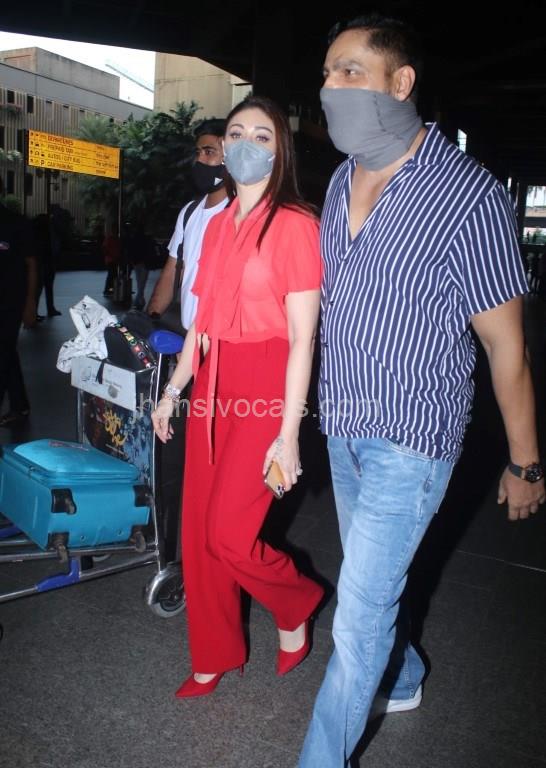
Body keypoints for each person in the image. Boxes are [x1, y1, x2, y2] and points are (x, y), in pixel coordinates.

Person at [298, 14, 546, 767]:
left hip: (413, 437)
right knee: (371, 587)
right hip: (343, 422)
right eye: (327, 72)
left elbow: (506, 345)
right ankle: (403, 674)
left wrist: (525, 462)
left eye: (351, 71)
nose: (331, 86)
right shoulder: (340, 179)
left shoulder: (468, 195)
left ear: (401, 83)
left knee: (358, 614)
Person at [151, 96, 324, 697]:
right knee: (200, 534)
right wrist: (173, 391)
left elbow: (302, 338)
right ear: (223, 147)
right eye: (236, 132)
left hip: (267, 383)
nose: (246, 143)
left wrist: (288, 433)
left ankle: (296, 598)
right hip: (212, 382)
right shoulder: (216, 225)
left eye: (262, 135)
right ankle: (213, 653)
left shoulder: (297, 224)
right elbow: (201, 327)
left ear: (280, 151)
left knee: (229, 533)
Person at [146, 119, 229, 331]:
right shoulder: (189, 213)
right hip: (188, 336)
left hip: (220, 338)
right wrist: (148, 322)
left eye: (209, 152)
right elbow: (171, 273)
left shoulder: (241, 215)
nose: (199, 159)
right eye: (198, 152)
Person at [0, 181, 37, 427]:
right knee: (7, 352)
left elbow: (31, 263)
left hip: (9, 302)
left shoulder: (15, 223)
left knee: (3, 353)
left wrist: (30, 303)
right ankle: (19, 405)